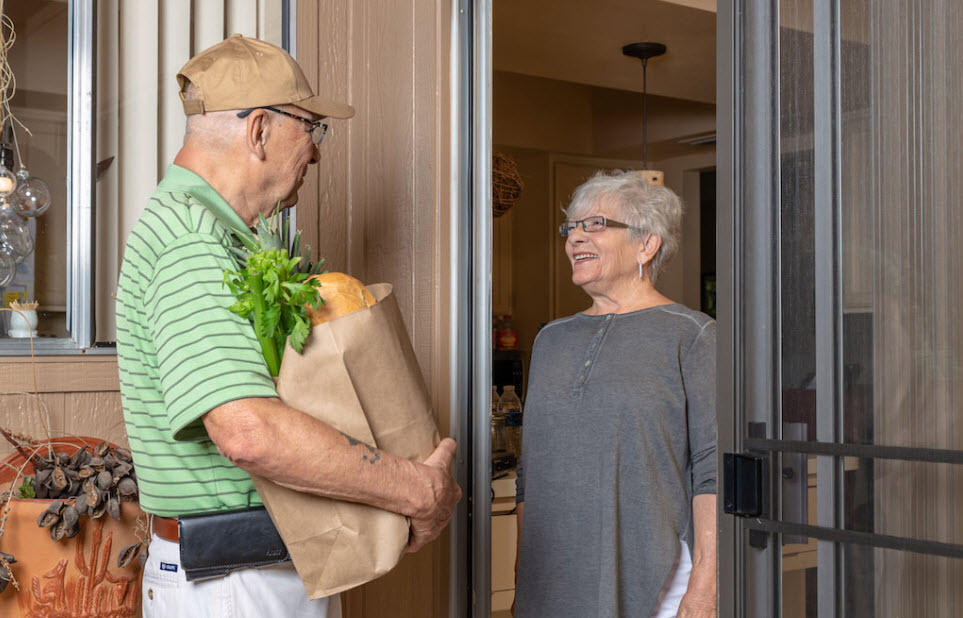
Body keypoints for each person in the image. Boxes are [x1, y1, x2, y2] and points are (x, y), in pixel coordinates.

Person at [115, 35, 461, 618]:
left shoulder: (220, 234)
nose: (317, 153)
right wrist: (416, 489)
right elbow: (247, 431)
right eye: (311, 129)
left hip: (255, 575)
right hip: (234, 585)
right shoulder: (192, 239)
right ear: (258, 132)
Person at [513, 170, 717, 617]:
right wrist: (522, 581)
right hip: (552, 583)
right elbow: (532, 473)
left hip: (659, 581)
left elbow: (711, 471)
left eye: (596, 224)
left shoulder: (691, 335)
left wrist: (705, 588)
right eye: (571, 227)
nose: (575, 238)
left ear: (647, 244)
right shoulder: (551, 340)